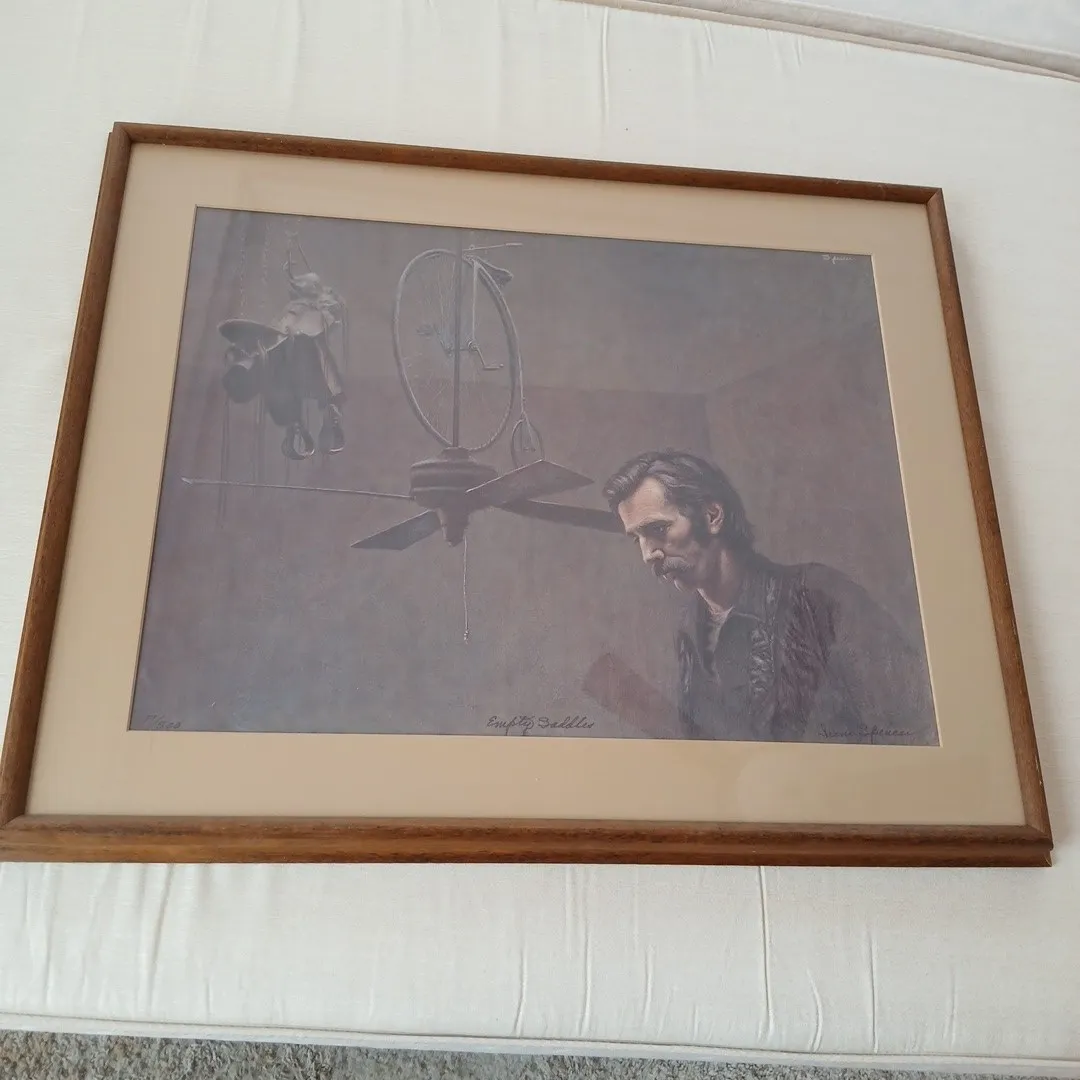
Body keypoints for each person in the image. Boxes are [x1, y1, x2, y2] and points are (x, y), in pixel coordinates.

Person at [602, 450, 939, 745]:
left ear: (712, 516)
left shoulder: (818, 596)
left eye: (658, 530)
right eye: (637, 539)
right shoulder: (690, 628)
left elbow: (912, 725)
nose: (648, 555)